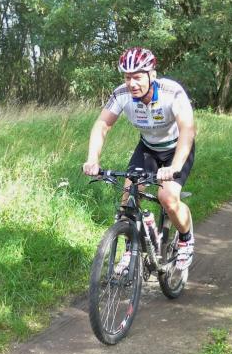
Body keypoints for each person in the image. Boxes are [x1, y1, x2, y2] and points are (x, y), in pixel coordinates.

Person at [82, 47, 196, 275]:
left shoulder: (171, 92)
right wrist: (92, 159)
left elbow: (187, 129)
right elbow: (102, 125)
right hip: (147, 149)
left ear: (152, 75)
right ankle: (130, 250)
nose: (132, 83)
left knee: (167, 198)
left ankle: (186, 239)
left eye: (137, 77)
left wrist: (174, 166)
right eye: (127, 77)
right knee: (128, 201)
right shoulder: (121, 94)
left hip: (176, 149)